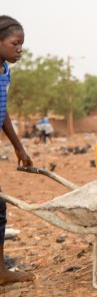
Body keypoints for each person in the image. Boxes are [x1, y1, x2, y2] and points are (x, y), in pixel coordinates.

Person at [0, 16, 35, 286]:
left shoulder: (5, 70)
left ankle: (1, 272)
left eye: (21, 44)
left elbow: (3, 112)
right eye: (15, 43)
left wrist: (19, 147)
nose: (19, 49)